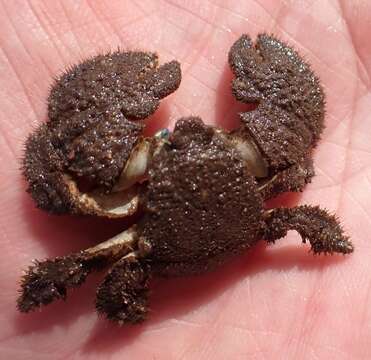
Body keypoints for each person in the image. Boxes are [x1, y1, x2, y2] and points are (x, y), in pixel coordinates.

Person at [0, 1, 370, 358]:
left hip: (155, 255)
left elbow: (56, 187)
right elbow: (297, 160)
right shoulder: (271, 179)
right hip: (241, 231)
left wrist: (46, 150)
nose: (190, 133)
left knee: (94, 277)